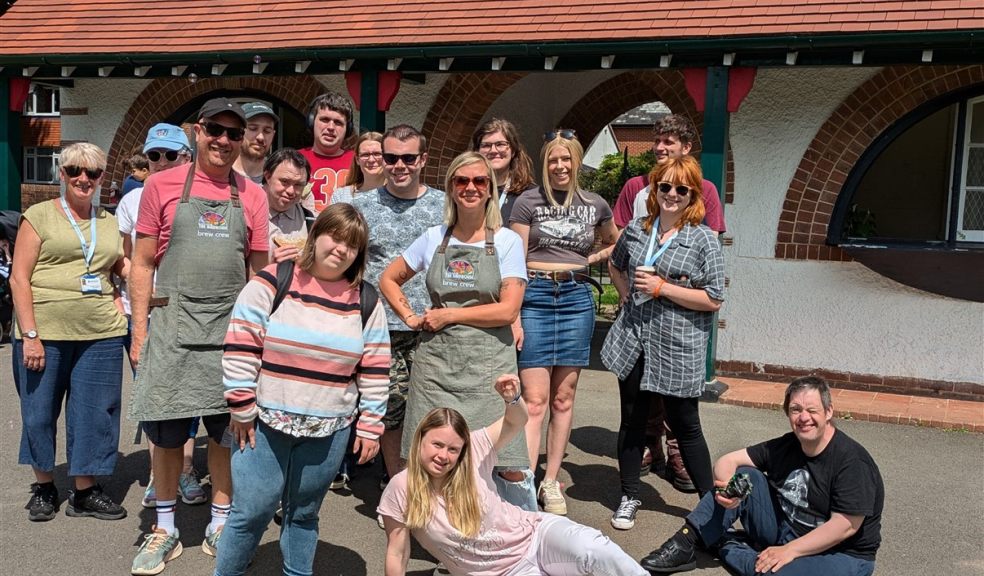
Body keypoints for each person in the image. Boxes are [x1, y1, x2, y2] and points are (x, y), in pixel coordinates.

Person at [128, 98, 270, 575]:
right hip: (171, 328)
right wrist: (140, 332)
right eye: (215, 129)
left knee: (227, 433)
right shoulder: (161, 185)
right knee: (167, 433)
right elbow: (143, 263)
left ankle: (221, 521)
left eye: (234, 133)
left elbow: (259, 274)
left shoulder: (252, 194)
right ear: (197, 131)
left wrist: (258, 338)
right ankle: (164, 526)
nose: (223, 140)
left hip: (230, 330)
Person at [214, 203, 389, 576]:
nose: (341, 249)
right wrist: (241, 406)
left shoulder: (366, 301)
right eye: (335, 237)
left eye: (352, 245)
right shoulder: (273, 280)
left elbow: (375, 367)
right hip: (263, 423)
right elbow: (241, 343)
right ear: (316, 235)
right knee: (251, 512)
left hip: (329, 431)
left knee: (304, 513)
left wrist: (371, 425)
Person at [379, 151, 535, 510]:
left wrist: (449, 316)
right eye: (461, 181)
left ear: (490, 190)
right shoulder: (434, 237)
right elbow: (388, 278)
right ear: (450, 188)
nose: (470, 187)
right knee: (433, 456)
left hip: (489, 367)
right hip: (437, 367)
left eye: (480, 181)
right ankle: (441, 535)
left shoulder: (508, 241)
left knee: (507, 463)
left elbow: (508, 309)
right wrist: (409, 317)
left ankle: (527, 535)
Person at [378, 375, 648, 576]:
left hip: (536, 536)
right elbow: (398, 551)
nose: (443, 456)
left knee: (595, 550)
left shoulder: (473, 451)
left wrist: (512, 399)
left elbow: (515, 421)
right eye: (437, 445)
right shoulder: (402, 488)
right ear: (420, 440)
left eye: (452, 449)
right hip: (502, 573)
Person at [640, 376, 884, 575]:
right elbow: (728, 461)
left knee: (772, 572)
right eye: (796, 409)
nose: (803, 417)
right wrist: (728, 491)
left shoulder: (852, 462)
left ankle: (726, 545)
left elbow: (844, 527)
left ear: (829, 411)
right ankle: (683, 544)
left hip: (843, 554)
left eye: (812, 410)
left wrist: (790, 550)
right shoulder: (788, 445)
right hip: (787, 529)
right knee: (745, 477)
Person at [601, 156, 724, 532]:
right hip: (635, 340)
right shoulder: (638, 230)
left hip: (678, 345)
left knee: (686, 424)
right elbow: (614, 264)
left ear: (693, 195)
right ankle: (630, 494)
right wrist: (624, 297)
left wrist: (663, 288)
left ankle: (712, 508)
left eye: (681, 189)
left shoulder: (703, 238)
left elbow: (714, 298)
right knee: (633, 420)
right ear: (653, 190)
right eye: (664, 186)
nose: (671, 194)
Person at [10, 142, 128, 522]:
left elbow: (123, 266)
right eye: (75, 170)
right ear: (62, 174)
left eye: (92, 173)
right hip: (44, 331)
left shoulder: (108, 221)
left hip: (100, 332)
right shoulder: (39, 215)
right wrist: (30, 333)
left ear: (100, 178)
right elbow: (19, 278)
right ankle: (44, 486)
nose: (83, 178)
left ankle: (85, 490)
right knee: (39, 413)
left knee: (95, 414)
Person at [509, 129, 619, 515]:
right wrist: (515, 315)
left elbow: (615, 242)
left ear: (576, 162)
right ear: (545, 163)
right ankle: (523, 481)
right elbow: (514, 260)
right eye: (553, 160)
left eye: (566, 159)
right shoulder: (528, 202)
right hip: (536, 296)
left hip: (575, 298)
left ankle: (551, 482)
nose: (559, 166)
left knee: (563, 397)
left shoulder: (595, 204)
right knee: (535, 401)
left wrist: (587, 260)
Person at [351, 124, 445, 499]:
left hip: (435, 324)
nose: (399, 165)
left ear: (423, 159)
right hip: (380, 326)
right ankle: (400, 487)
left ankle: (432, 489)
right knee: (391, 409)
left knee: (432, 411)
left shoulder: (444, 205)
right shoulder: (361, 206)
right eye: (391, 158)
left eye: (408, 158)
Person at [116, 122, 207, 510]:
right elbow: (126, 257)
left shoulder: (200, 192)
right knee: (156, 398)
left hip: (187, 313)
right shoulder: (131, 201)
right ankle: (160, 472)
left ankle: (184, 469)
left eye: (171, 154)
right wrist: (144, 290)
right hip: (147, 313)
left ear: (186, 156)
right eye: (155, 155)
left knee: (189, 397)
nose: (163, 162)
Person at [470, 118, 536, 224]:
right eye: (486, 145)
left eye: (500, 144)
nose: (493, 150)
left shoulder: (531, 195)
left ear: (513, 150)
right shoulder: (466, 189)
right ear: (477, 151)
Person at [300, 92, 355, 214]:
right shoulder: (294, 160)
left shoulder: (359, 162)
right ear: (311, 122)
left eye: (338, 122)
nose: (331, 127)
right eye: (325, 120)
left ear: (348, 129)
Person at [263, 148, 312, 264]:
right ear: (268, 176)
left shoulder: (311, 221)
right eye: (285, 182)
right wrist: (270, 265)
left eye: (298, 185)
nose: (291, 191)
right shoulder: (246, 216)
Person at [331, 131, 385, 205]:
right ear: (357, 160)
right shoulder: (341, 196)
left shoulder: (399, 193)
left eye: (377, 154)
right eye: (365, 155)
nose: (371, 160)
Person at [233, 102, 279, 184]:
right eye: (253, 128)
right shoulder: (222, 172)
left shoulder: (279, 176)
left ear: (273, 135)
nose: (260, 137)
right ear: (238, 131)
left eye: (267, 131)